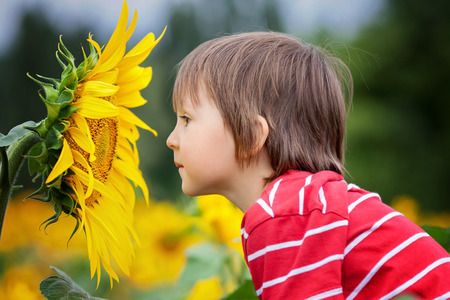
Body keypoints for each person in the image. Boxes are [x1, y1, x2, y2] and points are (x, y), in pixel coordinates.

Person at [166, 31, 450, 299]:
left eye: (187, 119)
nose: (171, 139)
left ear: (251, 136)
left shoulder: (285, 215)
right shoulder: (303, 206)